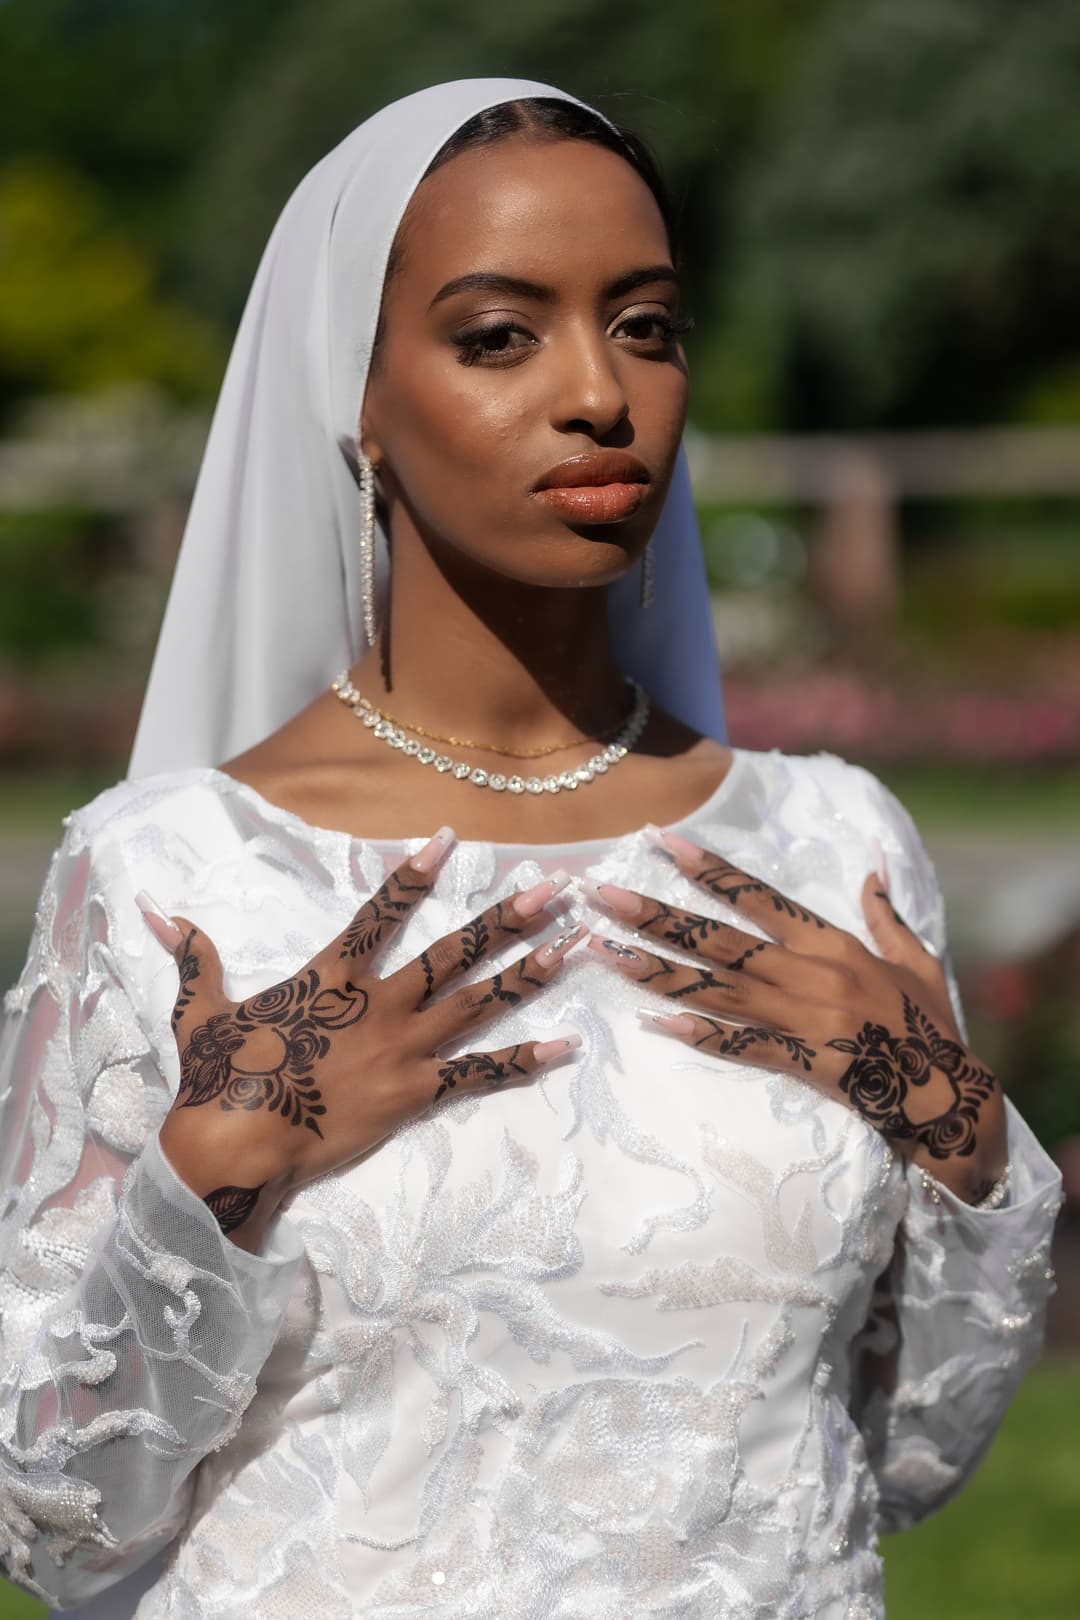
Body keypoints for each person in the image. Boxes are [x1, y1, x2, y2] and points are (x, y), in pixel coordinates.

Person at [0, 78, 1062, 1620]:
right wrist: (219, 1171)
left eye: (644, 324)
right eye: (500, 335)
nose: (599, 395)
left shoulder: (832, 844)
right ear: (356, 398)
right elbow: (62, 1517)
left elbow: (902, 1459)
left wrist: (963, 1136)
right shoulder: (176, 883)